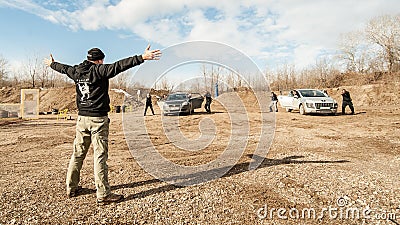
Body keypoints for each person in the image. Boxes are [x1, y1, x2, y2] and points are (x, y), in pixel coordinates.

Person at [44, 45, 161, 205]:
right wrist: (141, 57)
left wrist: (52, 64)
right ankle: (103, 194)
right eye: (102, 61)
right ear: (99, 60)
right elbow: (119, 66)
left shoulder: (76, 71)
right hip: (98, 119)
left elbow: (64, 68)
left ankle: (71, 187)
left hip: (81, 119)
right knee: (99, 156)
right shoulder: (99, 70)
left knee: (78, 154)